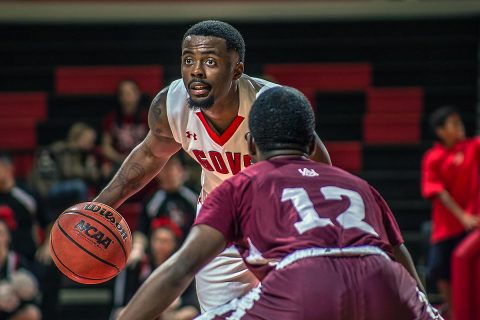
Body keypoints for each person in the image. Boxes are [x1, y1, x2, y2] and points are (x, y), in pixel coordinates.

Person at [116, 86, 441, 320]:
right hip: (385, 280)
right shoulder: (358, 185)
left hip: (307, 280)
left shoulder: (240, 184)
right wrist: (419, 304)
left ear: (252, 144)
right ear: (312, 143)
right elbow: (400, 254)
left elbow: (181, 268)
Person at [93, 20, 331, 312]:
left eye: (210, 61)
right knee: (220, 313)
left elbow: (321, 171)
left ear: (237, 70)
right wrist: (100, 206)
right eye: (188, 60)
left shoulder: (270, 105)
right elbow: (149, 156)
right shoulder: (170, 105)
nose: (196, 70)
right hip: (221, 222)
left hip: (279, 220)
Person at [421, 106, 480, 318]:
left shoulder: (473, 147)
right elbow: (438, 192)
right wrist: (462, 216)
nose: (460, 127)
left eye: (459, 123)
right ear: (440, 131)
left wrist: (469, 217)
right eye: (453, 124)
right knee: (438, 269)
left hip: (473, 225)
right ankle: (455, 310)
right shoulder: (433, 157)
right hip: (446, 227)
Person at [111, 217, 198, 320]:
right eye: (158, 240)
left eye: (166, 241)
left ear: (175, 244)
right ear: (151, 241)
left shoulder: (183, 268)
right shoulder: (138, 265)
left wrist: (176, 307)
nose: (161, 246)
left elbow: (193, 306)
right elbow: (121, 306)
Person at [129, 155, 198, 266]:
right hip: (157, 257)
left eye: (173, 167)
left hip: (187, 254)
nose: (169, 172)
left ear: (182, 171)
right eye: (165, 168)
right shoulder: (152, 200)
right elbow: (141, 231)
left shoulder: (193, 197)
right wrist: (137, 249)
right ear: (158, 173)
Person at [101, 79, 149, 174]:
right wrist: (120, 158)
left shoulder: (148, 117)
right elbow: (106, 147)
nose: (127, 97)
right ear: (119, 97)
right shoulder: (111, 119)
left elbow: (154, 144)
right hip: (118, 162)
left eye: (130, 93)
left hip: (142, 161)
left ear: (138, 95)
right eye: (123, 93)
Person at [0, 218, 41, 320]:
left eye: (1, 233)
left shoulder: (17, 261)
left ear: (8, 237)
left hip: (10, 312)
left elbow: (33, 295)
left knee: (32, 313)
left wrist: (23, 290)